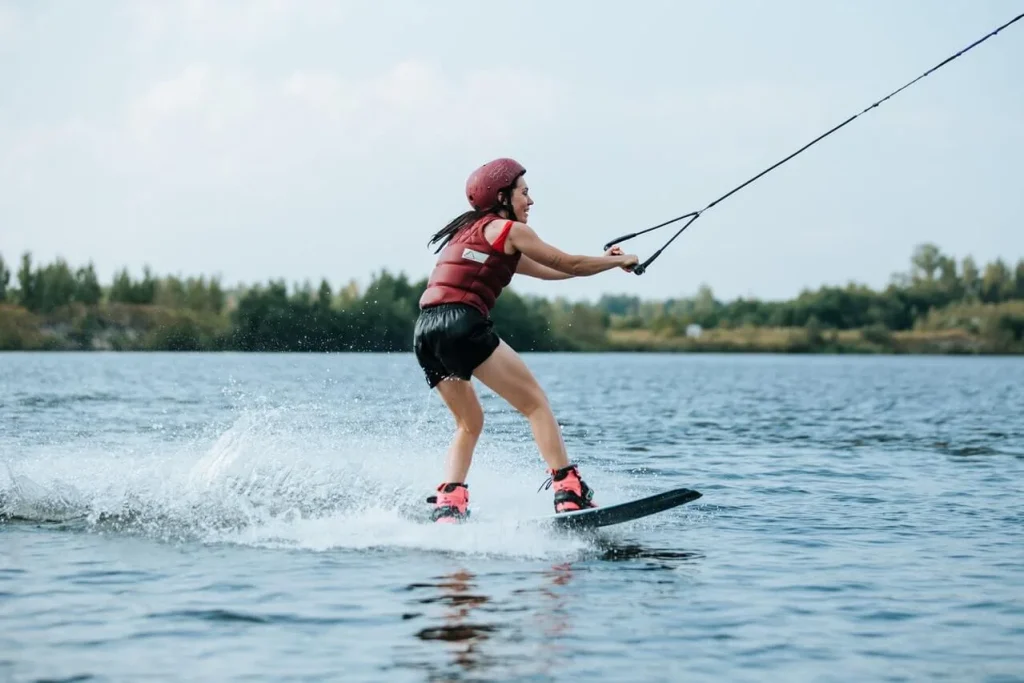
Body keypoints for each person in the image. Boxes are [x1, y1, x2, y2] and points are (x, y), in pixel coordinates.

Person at [414, 157, 639, 523]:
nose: (530, 201)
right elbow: (570, 264)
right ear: (503, 197)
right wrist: (620, 261)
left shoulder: (471, 233)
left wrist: (605, 261)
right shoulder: (509, 230)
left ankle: (450, 505)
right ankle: (569, 491)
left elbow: (555, 271)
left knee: (469, 423)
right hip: (462, 324)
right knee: (535, 404)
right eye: (524, 192)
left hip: (426, 332)